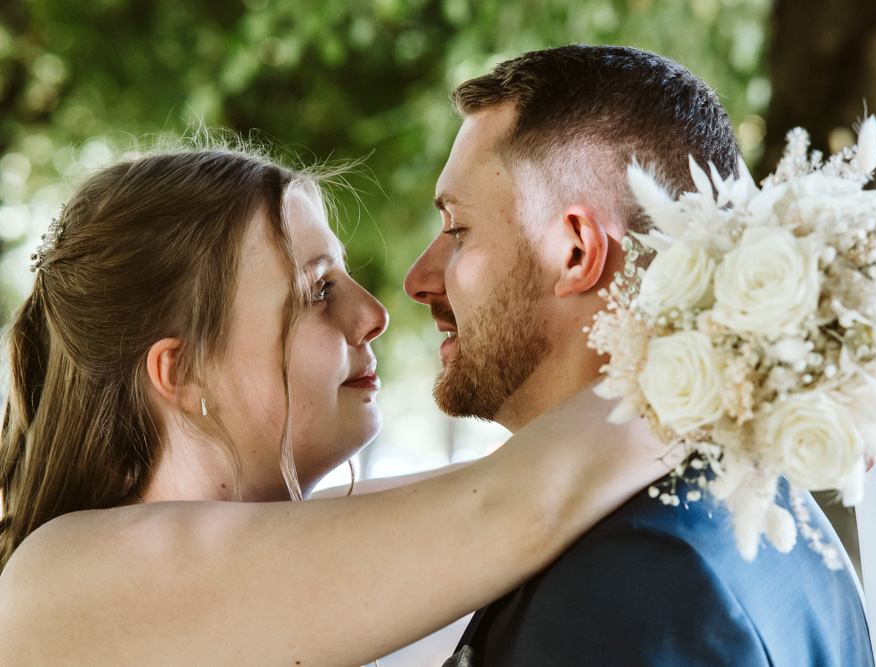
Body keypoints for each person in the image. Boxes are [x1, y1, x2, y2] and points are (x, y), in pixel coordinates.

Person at [0, 144, 672, 666]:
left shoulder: (298, 540)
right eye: (318, 290)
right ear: (183, 370)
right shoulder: (61, 581)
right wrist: (735, 334)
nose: (374, 313)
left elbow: (535, 475)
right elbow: (522, 500)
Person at [404, 44, 875, 666]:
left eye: (458, 231)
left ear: (575, 252)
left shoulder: (639, 577)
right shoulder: (753, 499)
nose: (418, 278)